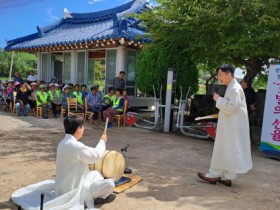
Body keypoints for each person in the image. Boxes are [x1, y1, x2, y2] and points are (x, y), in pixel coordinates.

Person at [197, 64, 253, 187]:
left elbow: (231, 107)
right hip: (232, 126)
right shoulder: (233, 87)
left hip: (231, 128)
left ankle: (212, 175)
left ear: (229, 74)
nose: (219, 77)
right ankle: (227, 177)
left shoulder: (235, 88)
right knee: (230, 150)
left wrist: (218, 99)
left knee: (222, 149)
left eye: (220, 75)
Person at [55, 115, 115, 208]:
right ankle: (99, 197)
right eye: (82, 126)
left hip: (64, 186)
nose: (83, 129)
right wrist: (102, 141)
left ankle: (98, 195)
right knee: (110, 183)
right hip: (75, 190)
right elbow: (95, 155)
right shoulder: (75, 146)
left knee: (97, 173)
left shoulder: (62, 143)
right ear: (78, 129)